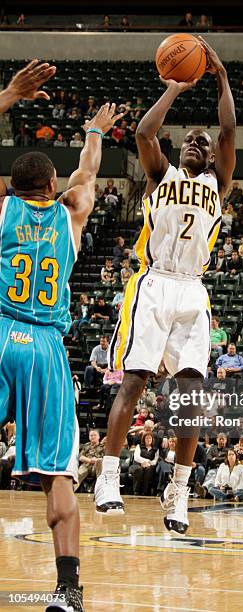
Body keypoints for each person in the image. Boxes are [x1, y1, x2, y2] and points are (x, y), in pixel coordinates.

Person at [95, 39, 236, 537]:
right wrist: (175, 88)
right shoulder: (161, 174)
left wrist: (219, 77)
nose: (199, 144)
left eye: (204, 142)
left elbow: (228, 129)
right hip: (154, 284)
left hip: (193, 292)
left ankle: (178, 489)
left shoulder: (219, 181)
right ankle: (108, 476)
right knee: (134, 381)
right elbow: (143, 131)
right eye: (191, 141)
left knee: (192, 395)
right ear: (179, 151)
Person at [0, 61, 122, 610]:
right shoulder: (71, 211)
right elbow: (88, 172)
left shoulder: (2, 211)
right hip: (46, 347)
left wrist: (7, 96)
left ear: (11, 187)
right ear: (52, 186)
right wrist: (94, 130)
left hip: (1, 333)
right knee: (58, 475)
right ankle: (67, 590)